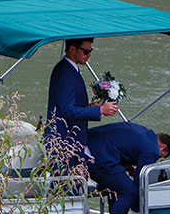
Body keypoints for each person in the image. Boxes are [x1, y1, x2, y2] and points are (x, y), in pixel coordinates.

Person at [87, 122, 170, 214]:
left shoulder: (143, 131)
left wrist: (127, 167)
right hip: (99, 158)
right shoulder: (152, 149)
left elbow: (120, 145)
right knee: (129, 191)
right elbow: (140, 184)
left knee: (118, 186)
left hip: (90, 147)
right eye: (160, 156)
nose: (155, 158)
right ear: (162, 146)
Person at [43, 38, 118, 170]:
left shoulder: (70, 69)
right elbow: (68, 111)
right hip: (63, 142)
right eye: (86, 51)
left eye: (90, 51)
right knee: (64, 181)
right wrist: (100, 110)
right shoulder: (64, 73)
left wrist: (89, 107)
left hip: (72, 140)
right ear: (72, 49)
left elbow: (67, 105)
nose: (89, 55)